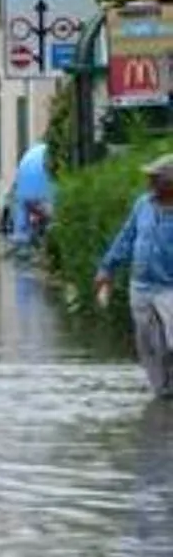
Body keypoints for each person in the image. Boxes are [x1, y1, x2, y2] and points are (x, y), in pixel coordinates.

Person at [94, 153, 173, 399]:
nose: (149, 183)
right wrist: (106, 268)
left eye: (154, 178)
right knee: (147, 343)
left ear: (169, 183)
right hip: (141, 285)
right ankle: (162, 392)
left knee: (171, 344)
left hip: (169, 286)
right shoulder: (143, 204)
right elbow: (126, 237)